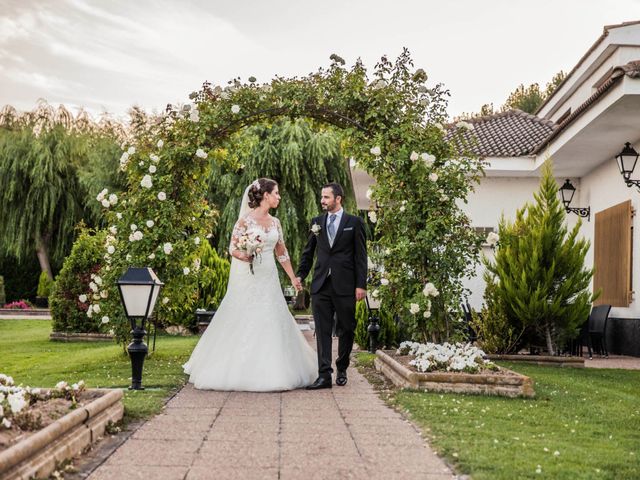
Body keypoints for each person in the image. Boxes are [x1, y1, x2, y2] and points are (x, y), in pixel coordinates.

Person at [183, 178, 317, 391]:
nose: (279, 197)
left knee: (272, 315)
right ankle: (237, 368)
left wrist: (293, 277)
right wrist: (244, 255)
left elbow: (281, 253)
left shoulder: (276, 223)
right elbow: (232, 248)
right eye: (276, 193)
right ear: (265, 196)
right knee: (243, 315)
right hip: (248, 276)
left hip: (269, 275)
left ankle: (276, 367)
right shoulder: (244, 221)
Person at [295, 183, 367, 389]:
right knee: (323, 330)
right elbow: (309, 252)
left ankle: (342, 367)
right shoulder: (316, 222)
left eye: (326, 197)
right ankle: (324, 374)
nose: (322, 201)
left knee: (346, 329)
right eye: (321, 197)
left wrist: (360, 284)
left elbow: (361, 257)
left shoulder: (355, 222)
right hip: (321, 285)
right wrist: (301, 274)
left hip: (346, 285)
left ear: (338, 199)